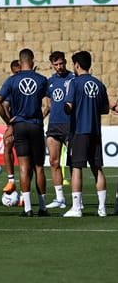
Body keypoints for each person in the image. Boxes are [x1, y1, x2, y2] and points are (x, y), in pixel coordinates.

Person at [0, 48, 49, 217]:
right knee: (39, 166)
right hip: (35, 124)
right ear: (31, 61)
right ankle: (42, 207)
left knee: (24, 166)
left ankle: (27, 208)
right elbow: (50, 104)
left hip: (20, 126)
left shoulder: (12, 81)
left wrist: (9, 121)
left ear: (19, 62)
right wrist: (40, 115)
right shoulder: (41, 80)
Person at [64, 51, 109, 217]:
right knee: (97, 169)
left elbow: (68, 105)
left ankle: (76, 208)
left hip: (80, 131)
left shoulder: (74, 83)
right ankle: (102, 208)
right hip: (95, 131)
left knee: (76, 167)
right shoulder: (99, 84)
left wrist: (66, 108)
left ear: (76, 65)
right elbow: (105, 109)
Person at [43, 51, 74, 209]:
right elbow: (48, 106)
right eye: (56, 64)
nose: (59, 67)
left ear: (65, 62)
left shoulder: (73, 79)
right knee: (53, 162)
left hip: (70, 126)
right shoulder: (50, 82)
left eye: (61, 63)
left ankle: (77, 199)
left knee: (74, 163)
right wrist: (39, 118)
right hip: (54, 126)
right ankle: (60, 198)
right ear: (52, 65)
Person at [2, 59, 21, 194]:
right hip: (17, 123)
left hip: (29, 123)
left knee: (26, 156)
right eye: (15, 73)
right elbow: (4, 105)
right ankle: (11, 180)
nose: (17, 75)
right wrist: (10, 123)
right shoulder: (11, 84)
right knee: (7, 142)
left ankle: (25, 194)